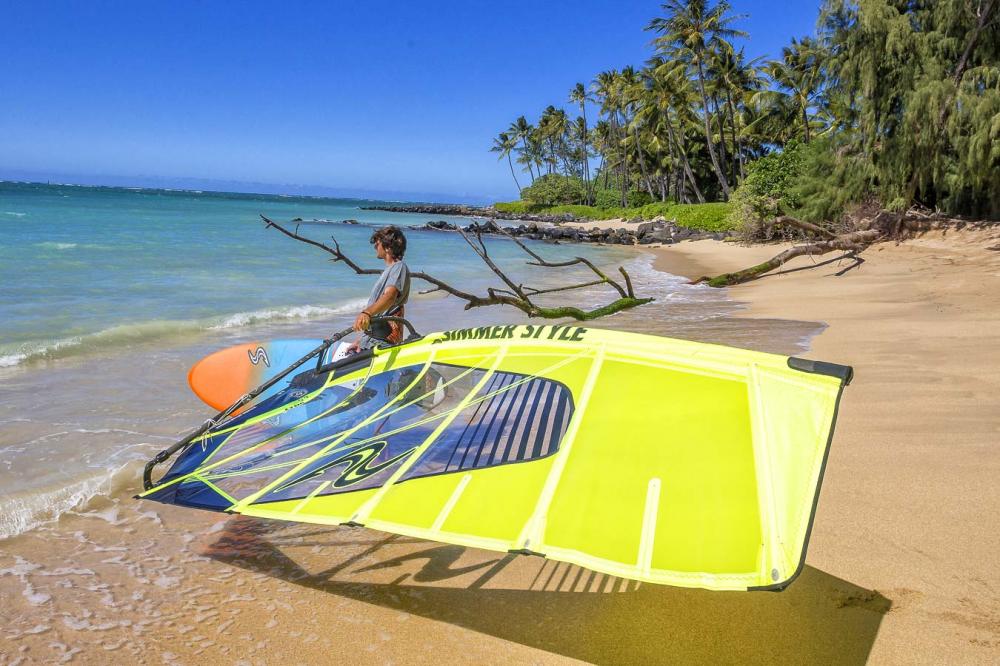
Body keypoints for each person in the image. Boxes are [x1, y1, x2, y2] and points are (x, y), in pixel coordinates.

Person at [349, 225, 410, 351]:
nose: (375, 247)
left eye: (377, 244)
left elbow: (390, 297)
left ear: (388, 247)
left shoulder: (399, 267)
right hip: (372, 340)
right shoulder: (390, 270)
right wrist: (362, 340)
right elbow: (381, 312)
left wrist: (366, 312)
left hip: (381, 343)